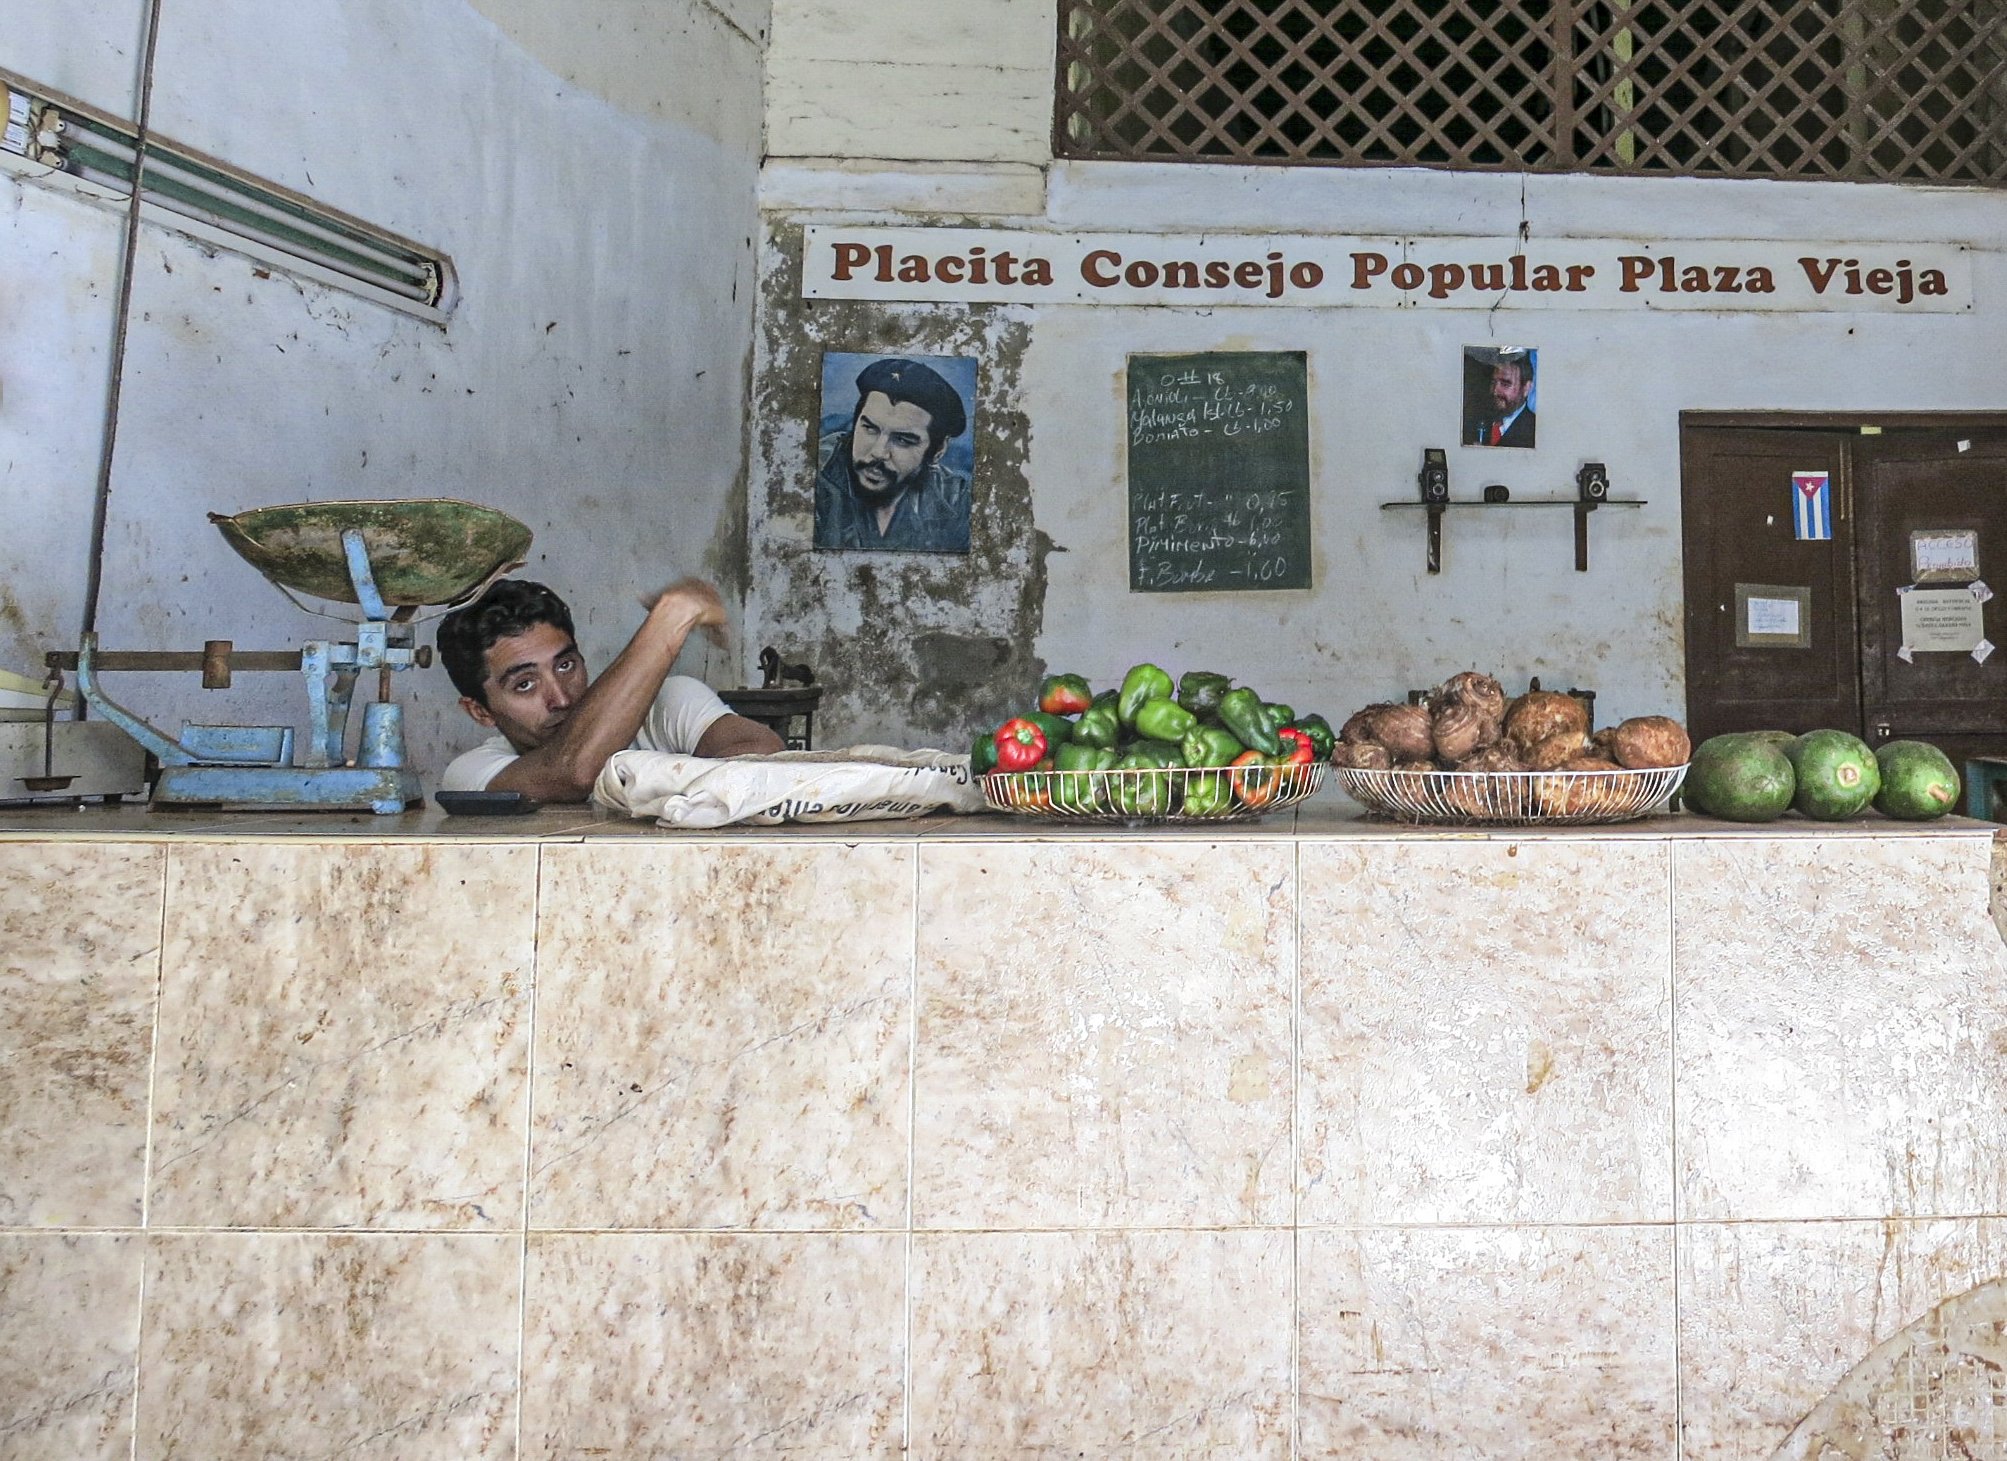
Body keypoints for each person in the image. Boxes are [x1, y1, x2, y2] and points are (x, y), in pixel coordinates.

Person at [434, 577, 782, 800]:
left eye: (566, 665)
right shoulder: (472, 774)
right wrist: (670, 620)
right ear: (479, 711)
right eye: (525, 684)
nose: (561, 698)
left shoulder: (666, 703)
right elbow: (573, 772)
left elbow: (763, 754)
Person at [814, 356, 973, 551]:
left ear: (938, 451)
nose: (878, 452)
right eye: (870, 429)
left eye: (903, 440)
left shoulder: (957, 500)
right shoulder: (811, 475)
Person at [1467, 353, 1537, 448]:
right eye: (1493, 382)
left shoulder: (1535, 432)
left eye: (1505, 384)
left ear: (1526, 388)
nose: (1495, 391)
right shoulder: (1474, 419)